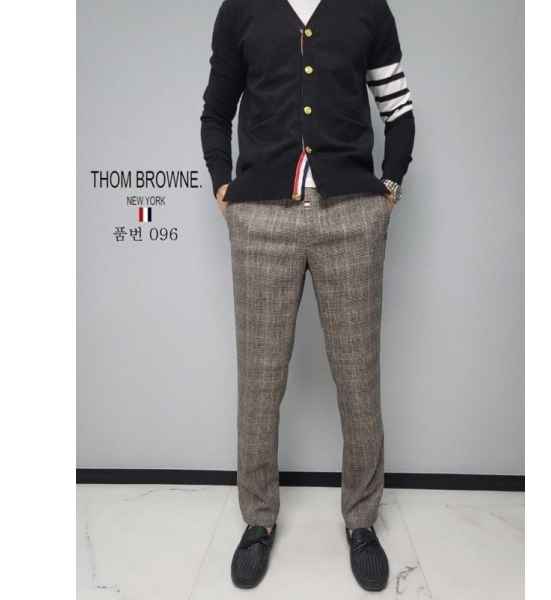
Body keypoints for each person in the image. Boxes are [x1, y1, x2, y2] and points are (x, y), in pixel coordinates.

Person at [200, 0, 415, 591]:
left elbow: (399, 112)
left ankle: (362, 521)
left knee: (358, 377)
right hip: (262, 218)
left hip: (352, 215)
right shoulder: (241, 9)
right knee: (260, 380)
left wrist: (388, 189)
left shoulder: (368, 9)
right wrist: (223, 185)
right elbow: (215, 111)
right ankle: (258, 519)